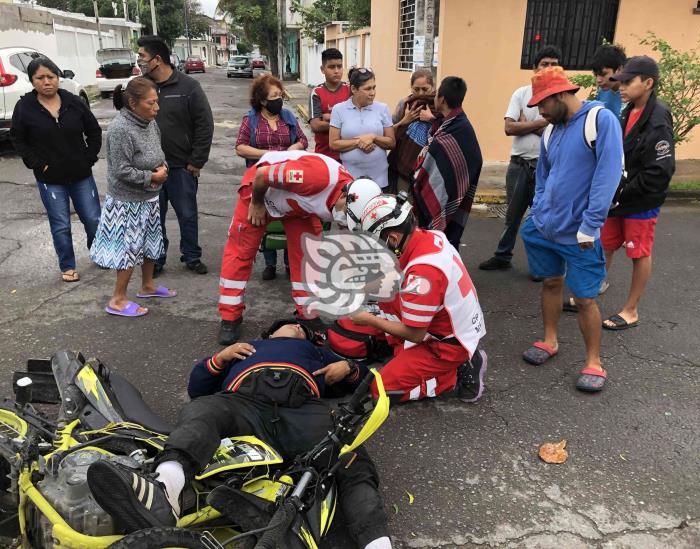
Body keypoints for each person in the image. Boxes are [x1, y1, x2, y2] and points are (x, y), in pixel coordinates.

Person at [87, 320, 392, 549]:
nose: (296, 327)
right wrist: (220, 359)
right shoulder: (247, 349)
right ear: (270, 334)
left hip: (304, 407)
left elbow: (362, 383)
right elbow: (197, 387)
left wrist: (348, 368)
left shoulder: (316, 352)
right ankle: (164, 489)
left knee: (349, 454)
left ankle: (377, 542)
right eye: (290, 325)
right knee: (203, 412)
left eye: (301, 328)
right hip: (243, 401)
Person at [518, 66, 623, 392]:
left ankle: (594, 361)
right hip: (548, 227)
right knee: (551, 283)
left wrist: (591, 225)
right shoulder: (552, 130)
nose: (540, 111)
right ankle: (550, 341)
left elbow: (608, 175)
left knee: (585, 299)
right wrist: (538, 211)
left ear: (562, 95)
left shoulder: (600, 121)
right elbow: (544, 176)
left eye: (544, 104)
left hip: (581, 235)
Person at [217, 150, 381, 345]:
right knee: (240, 252)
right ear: (345, 197)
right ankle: (230, 317)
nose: (344, 220)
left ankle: (306, 314)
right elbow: (262, 175)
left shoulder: (355, 201)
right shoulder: (316, 176)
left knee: (309, 258)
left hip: (298, 205)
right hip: (260, 192)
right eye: (345, 215)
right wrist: (257, 202)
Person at [348, 193, 488, 404]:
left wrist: (369, 319)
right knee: (385, 292)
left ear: (393, 238)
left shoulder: (422, 274)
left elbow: (415, 333)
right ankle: (410, 356)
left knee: (381, 390)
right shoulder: (427, 236)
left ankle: (453, 374)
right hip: (452, 324)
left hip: (447, 345)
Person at [10, 57, 102, 284]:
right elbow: (18, 139)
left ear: (58, 78)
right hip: (50, 179)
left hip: (81, 174)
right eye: (40, 78)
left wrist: (88, 158)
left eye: (51, 77)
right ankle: (68, 265)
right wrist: (38, 164)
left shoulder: (73, 102)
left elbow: (94, 131)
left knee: (92, 219)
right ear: (32, 81)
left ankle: (99, 251)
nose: (47, 82)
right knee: (60, 224)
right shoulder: (24, 107)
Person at [600, 56, 675, 331]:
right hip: (617, 198)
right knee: (605, 244)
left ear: (648, 83)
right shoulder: (627, 110)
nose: (621, 86)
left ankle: (631, 310)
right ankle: (590, 291)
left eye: (628, 81)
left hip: (641, 200)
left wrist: (624, 192)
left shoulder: (658, 118)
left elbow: (659, 171)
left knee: (639, 252)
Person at [90, 79, 176, 317]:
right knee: (128, 249)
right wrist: (152, 177)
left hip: (149, 196)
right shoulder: (120, 129)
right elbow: (121, 170)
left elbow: (159, 151)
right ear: (132, 103)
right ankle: (117, 299)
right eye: (151, 103)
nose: (157, 107)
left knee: (150, 243)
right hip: (127, 201)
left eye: (157, 101)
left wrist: (163, 169)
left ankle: (147, 286)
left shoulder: (149, 122)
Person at [137, 35, 214, 278]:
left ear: (157, 60)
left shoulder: (189, 87)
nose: (139, 61)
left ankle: (191, 256)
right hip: (150, 169)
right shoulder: (141, 87)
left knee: (188, 214)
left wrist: (197, 160)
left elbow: (205, 124)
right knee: (153, 218)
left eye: (142, 57)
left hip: (182, 167)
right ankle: (157, 260)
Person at [479, 46, 561, 272]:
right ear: (535, 69)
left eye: (554, 64)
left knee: (542, 218)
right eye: (545, 64)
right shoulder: (521, 94)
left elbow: (559, 136)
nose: (549, 68)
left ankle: (542, 266)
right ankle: (502, 256)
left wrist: (527, 125)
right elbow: (509, 127)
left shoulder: (562, 99)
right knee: (512, 215)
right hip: (519, 165)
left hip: (546, 167)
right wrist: (543, 123)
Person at [236, 74, 309, 280]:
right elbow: (241, 148)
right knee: (262, 217)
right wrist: (268, 155)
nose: (279, 99)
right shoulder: (251, 119)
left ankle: (288, 263)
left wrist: (290, 151)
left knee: (288, 217)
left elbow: (303, 140)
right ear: (262, 100)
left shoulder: (288, 117)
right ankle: (269, 263)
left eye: (280, 94)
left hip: (287, 177)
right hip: (260, 177)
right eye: (274, 96)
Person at [413, 76, 483, 249]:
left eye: (436, 94)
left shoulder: (456, 128)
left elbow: (426, 162)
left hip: (451, 193)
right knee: (444, 238)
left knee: (441, 238)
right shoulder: (457, 124)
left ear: (442, 99)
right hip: (454, 190)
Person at [330, 68, 395, 189]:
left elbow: (391, 142)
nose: (372, 93)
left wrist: (374, 137)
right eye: (367, 89)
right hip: (349, 178)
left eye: (374, 87)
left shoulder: (383, 108)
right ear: (354, 89)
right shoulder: (339, 110)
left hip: (379, 179)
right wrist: (358, 142)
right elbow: (333, 144)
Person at [388, 68, 437, 194]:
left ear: (433, 87)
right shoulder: (404, 104)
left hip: (430, 169)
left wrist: (432, 119)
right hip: (402, 167)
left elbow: (448, 130)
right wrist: (405, 120)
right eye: (416, 89)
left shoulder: (440, 105)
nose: (420, 93)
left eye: (425, 89)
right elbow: (389, 132)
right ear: (411, 88)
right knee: (402, 206)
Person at [308, 48, 351, 160]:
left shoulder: (351, 90)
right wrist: (344, 122)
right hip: (324, 155)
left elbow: (357, 120)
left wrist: (326, 117)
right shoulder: (317, 92)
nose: (337, 71)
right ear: (323, 69)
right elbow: (316, 126)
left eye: (339, 66)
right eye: (332, 67)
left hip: (348, 154)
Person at [592, 44, 627, 119]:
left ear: (619, 69)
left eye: (603, 74)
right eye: (596, 75)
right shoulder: (601, 92)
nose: (598, 80)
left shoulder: (630, 95)